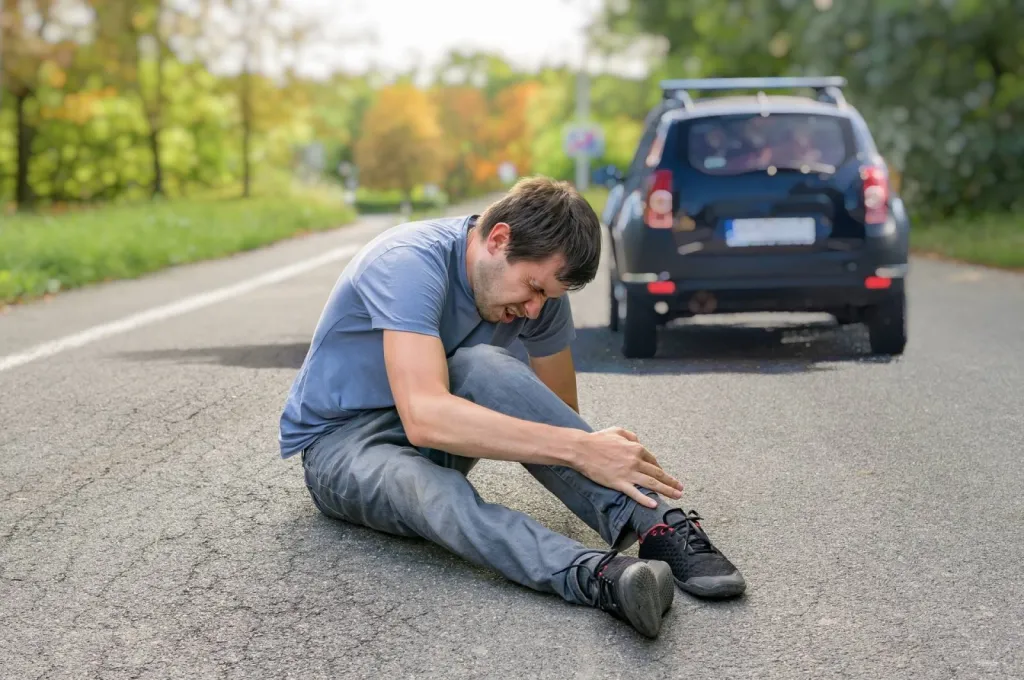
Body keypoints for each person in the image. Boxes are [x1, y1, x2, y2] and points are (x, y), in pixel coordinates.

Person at [279, 177, 746, 639]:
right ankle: (598, 576)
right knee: (425, 486)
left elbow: (554, 411)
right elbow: (423, 417)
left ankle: (657, 526)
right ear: (499, 239)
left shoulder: (538, 297)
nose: (535, 309)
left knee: (484, 364)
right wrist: (581, 447)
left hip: (436, 427)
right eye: (533, 288)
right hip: (342, 445)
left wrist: (587, 450)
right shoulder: (406, 263)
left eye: (548, 296)